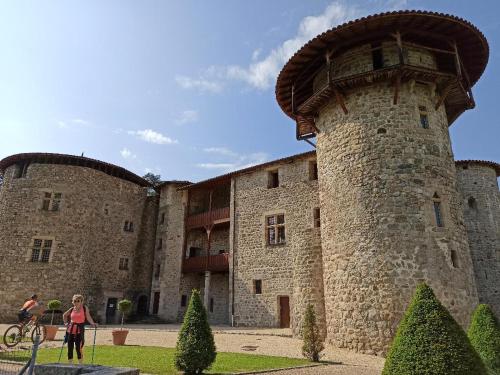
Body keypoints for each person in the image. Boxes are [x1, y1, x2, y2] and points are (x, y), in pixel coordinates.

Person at [62, 294, 98, 364]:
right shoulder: (72, 309)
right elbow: (64, 315)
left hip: (79, 330)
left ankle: (80, 363)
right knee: (70, 347)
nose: (76, 302)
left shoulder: (84, 308)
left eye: (78, 301)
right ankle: (70, 364)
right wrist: (66, 323)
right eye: (74, 301)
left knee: (78, 347)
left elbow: (88, 317)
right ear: (72, 302)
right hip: (70, 330)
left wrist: (93, 324)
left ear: (81, 301)